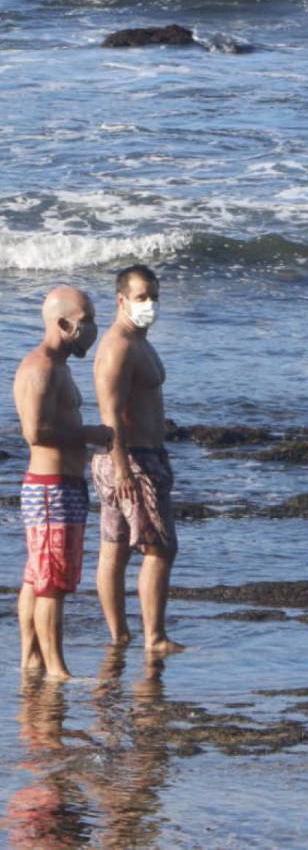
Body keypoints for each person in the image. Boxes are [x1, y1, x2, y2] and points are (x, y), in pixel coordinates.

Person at [13, 286, 113, 680]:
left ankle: (33, 658)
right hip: (51, 487)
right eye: (86, 321)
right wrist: (90, 434)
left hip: (60, 486)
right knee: (52, 581)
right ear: (63, 323)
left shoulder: (60, 366)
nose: (92, 329)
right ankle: (56, 667)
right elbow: (35, 432)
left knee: (37, 575)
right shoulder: (40, 368)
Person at [92, 264, 183, 654]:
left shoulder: (141, 343)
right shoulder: (118, 346)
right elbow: (109, 412)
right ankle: (153, 637)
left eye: (154, 297)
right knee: (159, 547)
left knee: (117, 546)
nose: (150, 305)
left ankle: (122, 637)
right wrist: (124, 466)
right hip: (131, 460)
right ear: (121, 300)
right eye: (142, 297)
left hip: (145, 456)